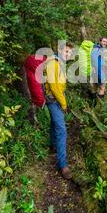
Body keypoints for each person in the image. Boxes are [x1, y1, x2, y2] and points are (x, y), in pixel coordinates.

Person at [44, 42, 73, 180]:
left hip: (56, 99)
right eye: (66, 51)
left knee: (54, 123)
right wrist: (64, 104)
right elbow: (54, 87)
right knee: (61, 130)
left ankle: (52, 146)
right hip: (53, 100)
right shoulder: (53, 63)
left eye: (70, 52)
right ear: (60, 50)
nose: (68, 54)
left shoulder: (60, 63)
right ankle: (63, 165)